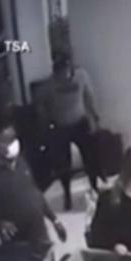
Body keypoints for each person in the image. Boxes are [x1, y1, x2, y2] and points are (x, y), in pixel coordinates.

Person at [0, 123, 66, 245]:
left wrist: (54, 220)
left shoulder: (21, 162)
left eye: (14, 138)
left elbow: (35, 192)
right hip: (18, 242)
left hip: (39, 233)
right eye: (9, 140)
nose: (15, 143)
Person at [36, 54, 101, 208]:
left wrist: (95, 117)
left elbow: (89, 96)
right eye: (59, 73)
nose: (63, 76)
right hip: (60, 126)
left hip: (80, 122)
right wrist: (46, 120)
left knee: (90, 157)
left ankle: (94, 187)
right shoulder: (49, 84)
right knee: (63, 163)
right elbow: (39, 103)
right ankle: (67, 194)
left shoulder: (81, 76)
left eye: (65, 72)